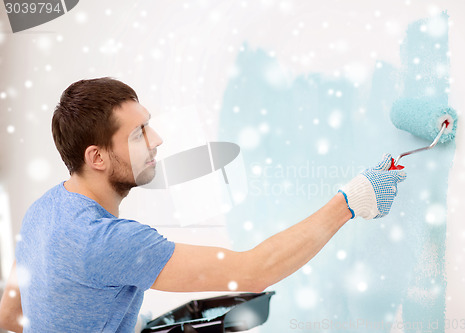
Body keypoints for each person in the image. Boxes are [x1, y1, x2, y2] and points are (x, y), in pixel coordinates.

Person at [0, 77, 406, 332]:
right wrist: (350, 201)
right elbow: (254, 273)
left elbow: (10, 318)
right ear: (97, 157)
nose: (156, 139)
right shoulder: (109, 242)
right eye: (139, 133)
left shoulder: (44, 210)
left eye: (149, 123)